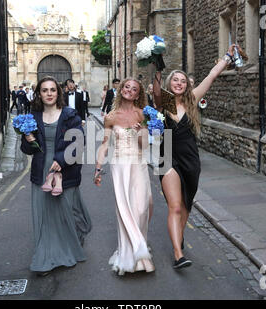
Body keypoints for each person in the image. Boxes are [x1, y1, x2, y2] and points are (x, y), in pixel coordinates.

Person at [153, 44, 243, 269]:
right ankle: (178, 254)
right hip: (167, 157)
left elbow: (212, 75)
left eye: (183, 81)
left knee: (186, 205)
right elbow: (155, 90)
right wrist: (156, 63)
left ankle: (179, 237)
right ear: (169, 83)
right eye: (175, 80)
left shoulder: (193, 99)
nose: (179, 84)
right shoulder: (164, 102)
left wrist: (227, 57)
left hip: (190, 158)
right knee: (174, 206)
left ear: (187, 85)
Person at [21, 76, 92, 276]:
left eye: (53, 90)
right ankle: (45, 257)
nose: (49, 94)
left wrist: (61, 160)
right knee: (44, 214)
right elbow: (27, 149)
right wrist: (28, 139)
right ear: (39, 94)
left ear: (58, 93)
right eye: (45, 90)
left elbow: (78, 142)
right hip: (41, 169)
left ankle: (74, 237)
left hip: (65, 169)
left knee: (65, 212)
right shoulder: (32, 117)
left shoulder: (70, 115)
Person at [94, 78, 155, 276]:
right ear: (121, 90)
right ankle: (133, 254)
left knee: (142, 208)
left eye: (134, 89)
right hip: (120, 166)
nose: (130, 90)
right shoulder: (111, 117)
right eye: (127, 87)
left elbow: (145, 146)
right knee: (125, 209)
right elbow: (104, 144)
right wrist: (98, 167)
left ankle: (140, 245)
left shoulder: (142, 114)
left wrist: (141, 132)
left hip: (139, 164)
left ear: (138, 94)